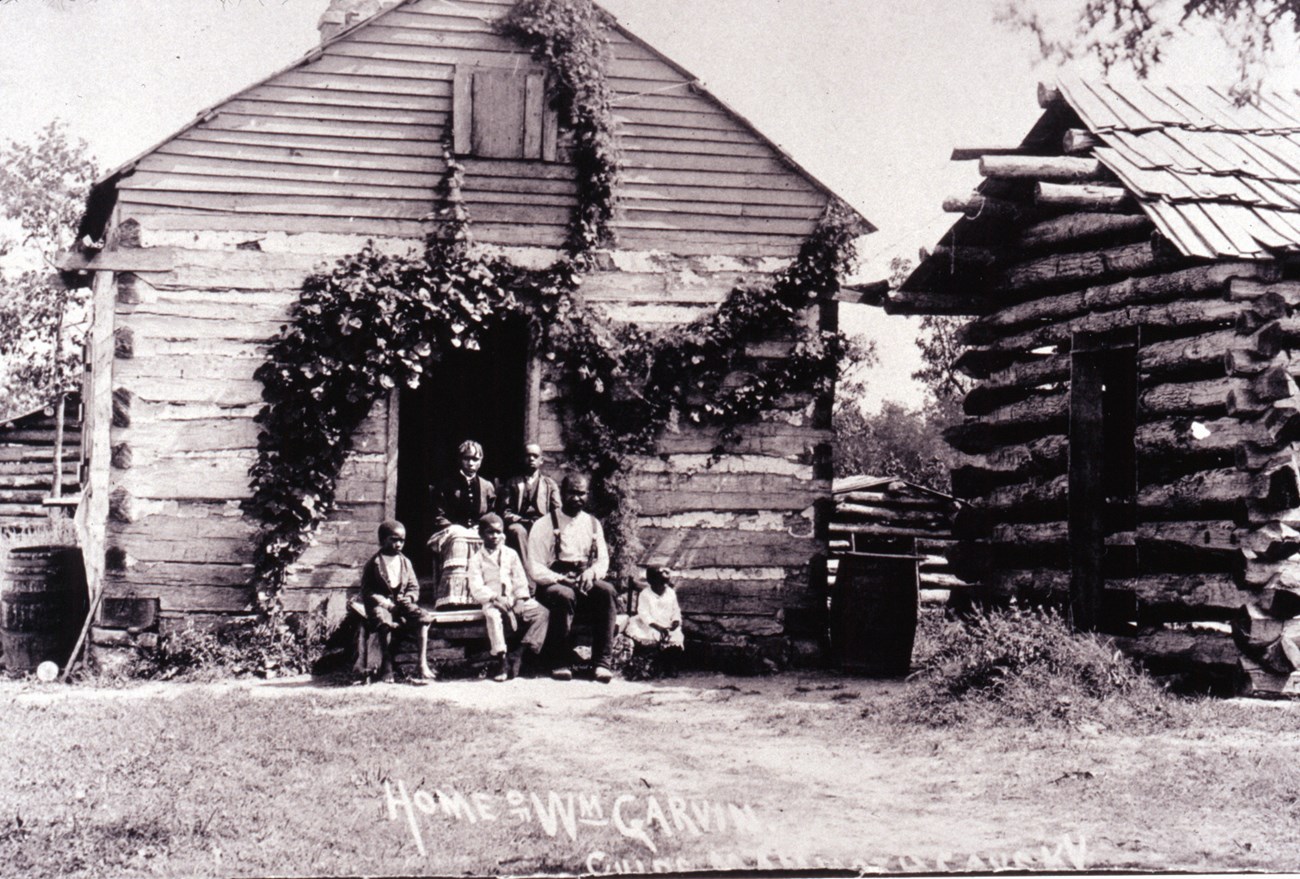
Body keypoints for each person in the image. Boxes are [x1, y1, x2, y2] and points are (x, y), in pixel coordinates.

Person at [527, 473, 617, 683]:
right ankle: (559, 662)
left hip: (584, 580)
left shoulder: (593, 523)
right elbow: (535, 566)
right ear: (562, 493)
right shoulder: (544, 524)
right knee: (564, 595)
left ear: (587, 495)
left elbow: (602, 560)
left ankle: (602, 663)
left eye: (582, 493)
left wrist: (591, 573)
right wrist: (559, 579)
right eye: (572, 493)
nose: (577, 498)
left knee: (607, 592)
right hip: (553, 584)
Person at [467, 513, 549, 681]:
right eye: (490, 532)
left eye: (498, 532)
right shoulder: (476, 559)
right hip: (493, 602)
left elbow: (520, 579)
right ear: (481, 534)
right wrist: (494, 598)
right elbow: (476, 586)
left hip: (513, 600)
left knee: (542, 613)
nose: (495, 536)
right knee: (492, 617)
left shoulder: (511, 554)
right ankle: (501, 660)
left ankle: (519, 653)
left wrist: (520, 599)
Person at [359, 519, 436, 683]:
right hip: (382, 606)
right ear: (382, 540)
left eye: (402, 540)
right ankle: (387, 667)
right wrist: (386, 604)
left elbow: (414, 587)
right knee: (384, 624)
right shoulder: (374, 564)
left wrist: (409, 598)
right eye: (394, 540)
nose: (398, 544)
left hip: (401, 605)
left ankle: (422, 664)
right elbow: (367, 591)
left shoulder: (405, 562)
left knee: (423, 619)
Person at [496, 443, 561, 580]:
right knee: (518, 531)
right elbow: (504, 511)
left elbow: (557, 511)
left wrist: (551, 525)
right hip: (520, 524)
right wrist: (520, 519)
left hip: (542, 524)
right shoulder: (512, 483)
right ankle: (529, 580)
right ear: (522, 459)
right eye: (527, 456)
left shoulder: (549, 484)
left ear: (541, 460)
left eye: (535, 456)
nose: (531, 459)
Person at [624, 566, 685, 677]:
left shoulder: (670, 593)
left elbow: (676, 609)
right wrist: (657, 626)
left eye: (665, 584)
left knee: (675, 638)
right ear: (652, 582)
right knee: (648, 636)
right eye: (660, 584)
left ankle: (670, 666)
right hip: (650, 624)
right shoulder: (645, 594)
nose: (663, 587)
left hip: (667, 623)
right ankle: (650, 665)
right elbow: (644, 613)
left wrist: (676, 620)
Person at [431, 440, 496, 532]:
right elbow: (438, 515)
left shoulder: (487, 486)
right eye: (466, 458)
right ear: (460, 459)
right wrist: (455, 529)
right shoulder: (446, 485)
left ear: (481, 461)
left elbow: (491, 515)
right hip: (451, 533)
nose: (470, 463)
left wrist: (481, 528)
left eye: (475, 459)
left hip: (479, 533)